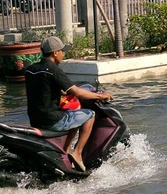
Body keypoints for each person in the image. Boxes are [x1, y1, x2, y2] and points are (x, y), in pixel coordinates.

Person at [25, 36, 114, 172]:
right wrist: (101, 96)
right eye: (62, 51)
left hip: (35, 119)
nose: (63, 54)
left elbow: (42, 89)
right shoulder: (53, 70)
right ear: (55, 53)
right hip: (52, 119)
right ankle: (77, 153)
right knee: (89, 114)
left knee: (73, 116)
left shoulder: (30, 69)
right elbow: (78, 92)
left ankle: (65, 153)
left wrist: (61, 92)